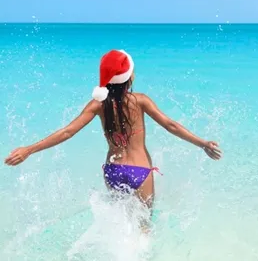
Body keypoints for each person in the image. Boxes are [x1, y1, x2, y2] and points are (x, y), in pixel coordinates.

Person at [5, 49, 222, 209]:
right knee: (144, 227)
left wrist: (29, 150)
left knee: (121, 223)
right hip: (140, 171)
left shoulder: (97, 105)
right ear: (130, 77)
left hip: (113, 171)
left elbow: (67, 132)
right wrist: (202, 143)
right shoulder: (140, 101)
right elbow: (170, 125)